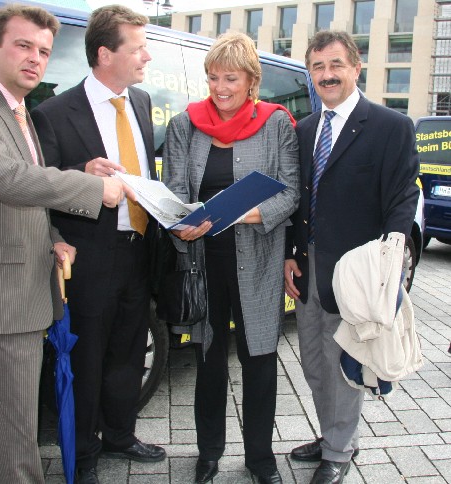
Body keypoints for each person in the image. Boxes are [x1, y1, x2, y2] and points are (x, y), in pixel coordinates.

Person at [0, 4, 131, 483]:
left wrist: (54, 237)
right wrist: (91, 190)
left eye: (43, 51)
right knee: (18, 436)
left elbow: (25, 194)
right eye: (23, 46)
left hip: (19, 286)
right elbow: (6, 179)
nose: (35, 59)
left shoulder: (17, 110)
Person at [31, 5, 164, 484]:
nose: (147, 56)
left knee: (129, 350)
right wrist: (79, 175)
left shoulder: (143, 102)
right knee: (86, 358)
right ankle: (83, 453)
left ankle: (120, 435)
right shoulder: (52, 113)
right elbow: (39, 186)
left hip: (138, 249)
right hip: (87, 255)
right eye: (138, 48)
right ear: (105, 54)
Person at [162, 32, 300, 484]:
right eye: (213, 77)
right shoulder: (186, 123)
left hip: (257, 261)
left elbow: (291, 193)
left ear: (251, 81)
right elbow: (178, 192)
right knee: (209, 361)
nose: (220, 88)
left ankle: (260, 459)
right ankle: (208, 454)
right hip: (204, 260)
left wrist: (240, 215)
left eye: (231, 78)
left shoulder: (276, 123)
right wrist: (181, 220)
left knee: (259, 360)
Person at [284, 30, 419, 484]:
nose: (327, 75)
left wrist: (392, 259)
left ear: (356, 68)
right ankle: (330, 435)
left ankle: (339, 450)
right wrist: (290, 254)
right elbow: (298, 200)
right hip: (310, 265)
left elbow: (402, 197)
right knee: (312, 359)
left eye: (336, 65)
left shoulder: (390, 126)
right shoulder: (303, 130)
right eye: (318, 67)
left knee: (345, 359)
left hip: (358, 270)